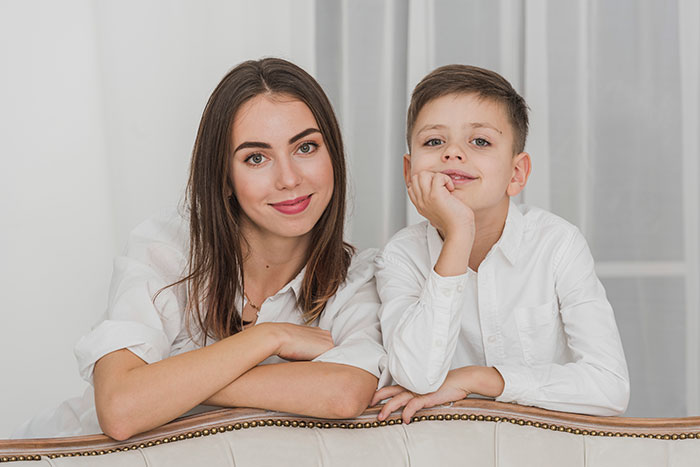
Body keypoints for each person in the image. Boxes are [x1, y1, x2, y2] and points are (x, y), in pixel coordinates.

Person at [15, 58, 387, 440]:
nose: (289, 178)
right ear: (224, 177)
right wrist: (268, 338)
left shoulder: (360, 276)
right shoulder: (168, 248)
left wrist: (169, 383)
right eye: (256, 158)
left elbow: (344, 393)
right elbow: (120, 409)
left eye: (306, 147)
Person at [372, 64, 629, 423]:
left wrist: (478, 379)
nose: (452, 153)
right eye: (434, 141)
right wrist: (459, 234)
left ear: (516, 173)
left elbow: (610, 387)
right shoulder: (400, 257)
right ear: (408, 171)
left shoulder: (557, 244)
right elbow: (416, 375)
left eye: (480, 141)